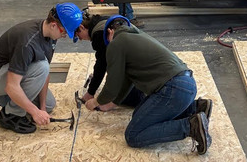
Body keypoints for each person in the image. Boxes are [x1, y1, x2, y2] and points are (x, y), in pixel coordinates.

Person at [84, 20, 213, 155]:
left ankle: (191, 126)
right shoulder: (135, 36)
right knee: (138, 115)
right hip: (186, 85)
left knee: (133, 135)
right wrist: (111, 104)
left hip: (173, 90)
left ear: (110, 32)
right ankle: (195, 108)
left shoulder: (116, 43)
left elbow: (112, 86)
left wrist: (96, 101)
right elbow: (127, 82)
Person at [0, 2, 83, 133]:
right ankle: (11, 116)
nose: (65, 36)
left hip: (8, 75)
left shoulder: (50, 35)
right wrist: (35, 112)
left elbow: (45, 74)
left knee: (49, 104)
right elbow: (12, 86)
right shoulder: (27, 43)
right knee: (42, 67)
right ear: (54, 25)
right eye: (65, 32)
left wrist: (42, 109)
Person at [75, 13, 143, 110]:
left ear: (81, 27)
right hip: (142, 66)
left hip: (138, 77)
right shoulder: (102, 21)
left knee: (124, 96)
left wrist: (91, 93)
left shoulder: (99, 34)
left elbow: (102, 65)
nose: (81, 39)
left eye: (79, 36)